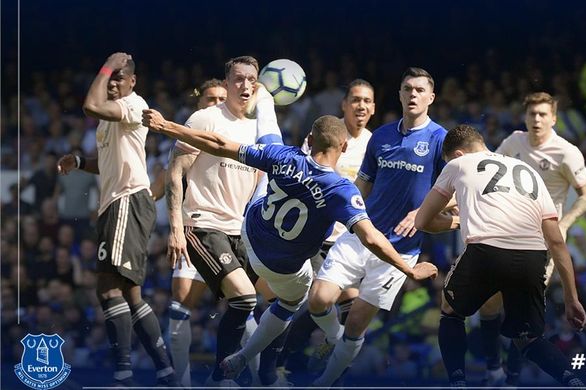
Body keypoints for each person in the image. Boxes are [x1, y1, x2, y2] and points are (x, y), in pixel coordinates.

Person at [141, 113, 438, 382]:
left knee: (267, 154)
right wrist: (407, 268)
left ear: (309, 141)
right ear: (344, 148)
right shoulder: (340, 189)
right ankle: (245, 358)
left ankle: (266, 101)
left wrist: (167, 126)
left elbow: (218, 143)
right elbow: (371, 237)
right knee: (292, 301)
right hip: (282, 266)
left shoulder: (286, 155)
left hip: (250, 236)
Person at [305, 67, 449, 387]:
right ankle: (333, 339)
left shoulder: (441, 139)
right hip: (361, 236)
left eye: (419, 90)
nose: (413, 95)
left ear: (431, 97)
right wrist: (339, 217)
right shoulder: (381, 136)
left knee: (356, 323)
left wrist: (423, 212)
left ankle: (324, 382)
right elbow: (362, 186)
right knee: (318, 299)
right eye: (407, 89)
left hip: (401, 249)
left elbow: (453, 192)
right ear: (399, 94)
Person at [414, 124, 586, 387]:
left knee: (451, 312)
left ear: (458, 155)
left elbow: (422, 220)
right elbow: (556, 241)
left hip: (486, 251)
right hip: (532, 258)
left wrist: (458, 222)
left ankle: (458, 383)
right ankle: (573, 380)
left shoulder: (458, 165)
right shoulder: (529, 171)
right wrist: (571, 298)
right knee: (527, 337)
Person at [146, 56, 283, 386]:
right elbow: (176, 173)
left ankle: (265, 374)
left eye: (252, 79)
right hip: (202, 225)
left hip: (241, 231)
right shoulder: (205, 118)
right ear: (227, 82)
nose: (245, 85)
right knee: (243, 298)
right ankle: (218, 376)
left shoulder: (257, 131)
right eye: (238, 79)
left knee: (283, 299)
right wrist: (177, 229)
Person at [56, 52, 178, 386]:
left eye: (119, 77)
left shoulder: (133, 105)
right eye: (110, 77)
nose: (112, 82)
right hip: (121, 204)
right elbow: (109, 160)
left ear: (133, 81)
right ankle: (166, 372)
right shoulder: (114, 117)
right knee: (131, 295)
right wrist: (81, 162)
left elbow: (89, 106)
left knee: (108, 290)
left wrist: (106, 64)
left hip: (127, 202)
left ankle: (123, 377)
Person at [480, 91, 586, 385]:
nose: (537, 119)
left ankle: (512, 379)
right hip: (506, 233)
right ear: (525, 117)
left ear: (554, 118)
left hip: (543, 242)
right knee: (489, 302)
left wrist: (566, 222)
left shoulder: (566, 152)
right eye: (532, 114)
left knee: (523, 313)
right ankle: (493, 367)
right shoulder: (513, 143)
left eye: (543, 114)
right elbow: (488, 177)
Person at [273, 79, 376, 381]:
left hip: (351, 240)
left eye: (367, 101)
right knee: (323, 300)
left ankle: (306, 365)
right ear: (343, 105)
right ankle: (285, 362)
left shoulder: (375, 144)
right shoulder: (323, 134)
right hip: (318, 236)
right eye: (355, 99)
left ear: (373, 108)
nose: (361, 106)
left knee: (348, 310)